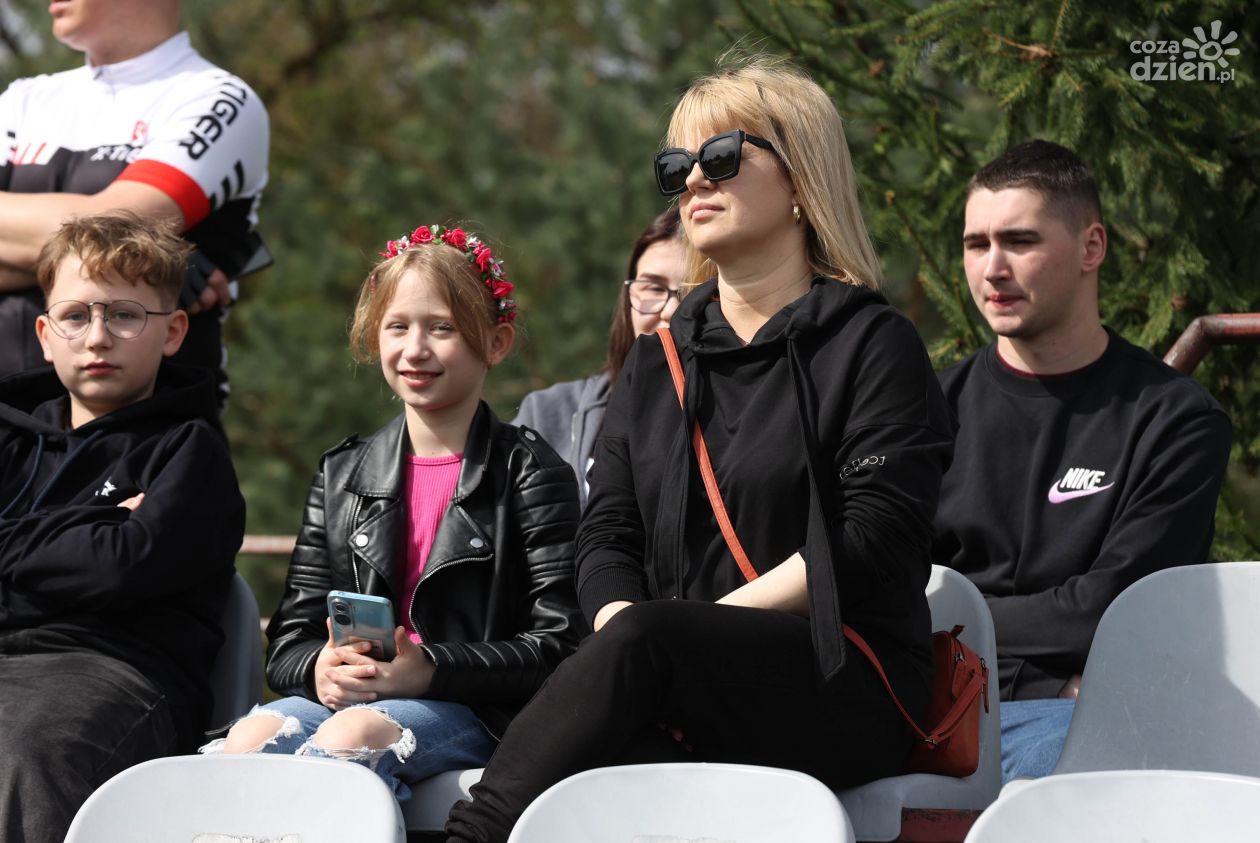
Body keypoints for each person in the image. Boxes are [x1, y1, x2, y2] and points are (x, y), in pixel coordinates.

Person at [445, 54, 955, 843]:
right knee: (569, 732)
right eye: (677, 165)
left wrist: (675, 633)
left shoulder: (873, 344)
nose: (691, 181)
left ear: (800, 179)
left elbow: (873, 542)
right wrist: (627, 631)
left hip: (843, 677)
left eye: (720, 157)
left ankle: (469, 835)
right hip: (674, 675)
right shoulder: (658, 361)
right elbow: (607, 535)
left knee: (619, 680)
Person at [204, 223, 585, 802]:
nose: (415, 349)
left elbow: (561, 645)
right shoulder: (342, 473)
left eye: (442, 328)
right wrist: (320, 668)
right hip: (355, 702)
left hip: (481, 711)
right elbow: (289, 639)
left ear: (497, 342)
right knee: (248, 740)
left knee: (352, 737)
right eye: (397, 326)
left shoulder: (530, 473)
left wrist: (430, 668)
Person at [932, 140, 1232, 782]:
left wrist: (953, 620)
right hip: (928, 707)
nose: (993, 268)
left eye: (1020, 241)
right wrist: (1042, 668)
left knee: (1062, 765)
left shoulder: (1175, 421)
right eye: (976, 244)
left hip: (1078, 720)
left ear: (1091, 247)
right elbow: (886, 596)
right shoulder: (926, 410)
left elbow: (1110, 613)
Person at [0, 210, 245, 843]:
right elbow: (105, 554)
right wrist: (94, 524)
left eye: (124, 315)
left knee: (25, 746)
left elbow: (121, 568)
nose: (98, 337)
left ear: (173, 331)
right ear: (45, 333)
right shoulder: (10, 439)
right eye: (75, 316)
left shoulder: (190, 451)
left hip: (111, 671)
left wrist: (21, 542)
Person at [0, 0, 270, 407]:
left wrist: (116, 250)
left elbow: (105, 232)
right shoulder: (24, 98)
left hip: (150, 429)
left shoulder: (219, 97)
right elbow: (101, 243)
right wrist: (142, 266)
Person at [513, 207, 684, 505]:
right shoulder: (547, 415)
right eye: (653, 287)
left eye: (692, 289)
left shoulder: (743, 420)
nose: (671, 309)